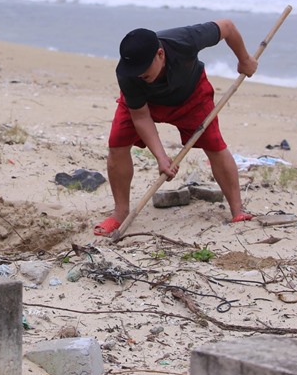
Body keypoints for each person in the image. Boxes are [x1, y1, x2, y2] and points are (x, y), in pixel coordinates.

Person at [94, 20, 257, 237]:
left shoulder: (185, 40)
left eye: (143, 69)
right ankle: (120, 212)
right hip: (145, 103)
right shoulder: (128, 74)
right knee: (117, 145)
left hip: (190, 96)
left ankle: (237, 210)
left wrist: (244, 59)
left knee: (215, 144)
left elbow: (227, 27)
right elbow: (141, 117)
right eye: (134, 71)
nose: (139, 74)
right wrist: (161, 157)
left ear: (160, 54)